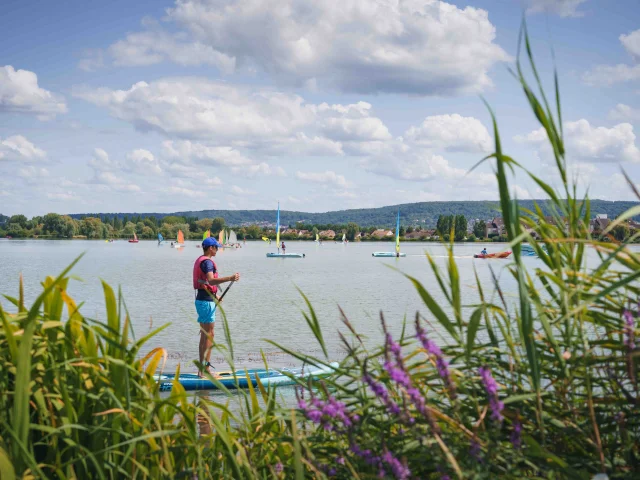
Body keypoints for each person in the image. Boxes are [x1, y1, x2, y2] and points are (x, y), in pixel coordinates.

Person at [193, 237, 240, 377]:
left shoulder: (201, 259)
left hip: (203, 300)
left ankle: (201, 370)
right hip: (205, 302)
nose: (217, 250)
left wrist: (215, 296)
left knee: (205, 335)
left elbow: (205, 284)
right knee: (209, 335)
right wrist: (230, 278)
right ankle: (205, 370)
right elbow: (211, 280)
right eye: (216, 247)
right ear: (210, 248)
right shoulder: (207, 262)